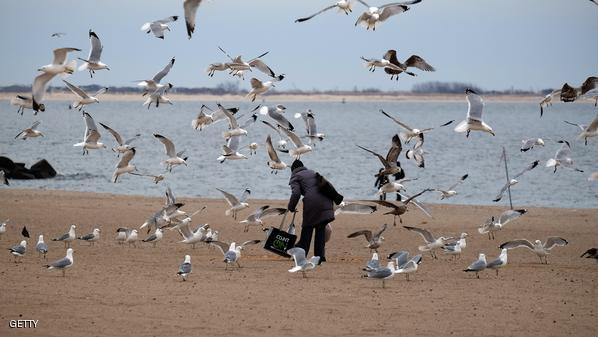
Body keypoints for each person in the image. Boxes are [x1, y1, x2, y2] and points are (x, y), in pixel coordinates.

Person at [287, 160, 343, 264]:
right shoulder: (313, 173)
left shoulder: (295, 176)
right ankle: (319, 257)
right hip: (326, 201)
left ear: (293, 170)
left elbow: (296, 194)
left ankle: (300, 255)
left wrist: (291, 207)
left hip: (312, 204)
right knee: (320, 230)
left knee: (307, 231)